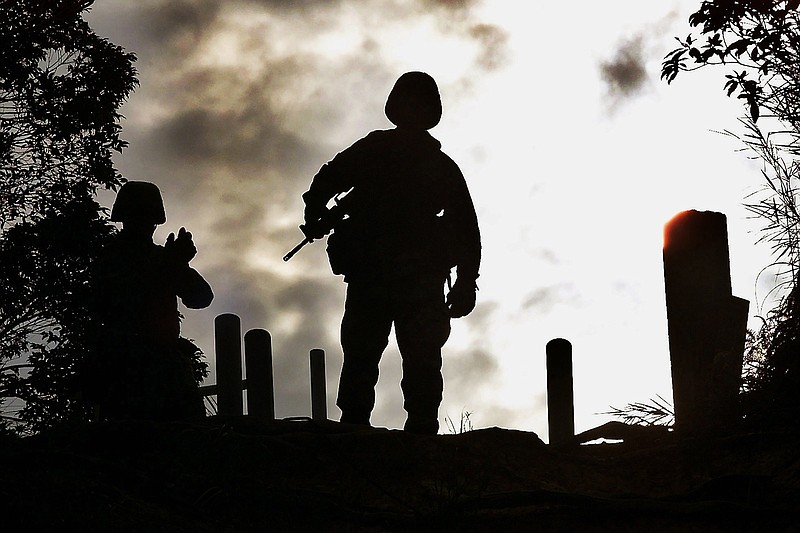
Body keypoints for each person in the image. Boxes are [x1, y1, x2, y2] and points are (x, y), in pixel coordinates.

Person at [301, 71, 481, 434]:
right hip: (373, 274)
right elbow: (325, 181)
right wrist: (316, 212)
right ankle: (355, 428)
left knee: (422, 363)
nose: (412, 111)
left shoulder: (438, 166)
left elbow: (466, 228)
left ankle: (421, 431)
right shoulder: (374, 150)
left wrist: (465, 282)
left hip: (418, 278)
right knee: (361, 356)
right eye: (407, 103)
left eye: (419, 105)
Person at [87, 181, 214, 421]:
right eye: (139, 216)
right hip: (127, 367)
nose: (145, 224)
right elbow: (121, 303)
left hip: (164, 367)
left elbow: (201, 297)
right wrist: (171, 265)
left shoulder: (160, 257)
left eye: (147, 218)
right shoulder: (112, 257)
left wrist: (179, 265)